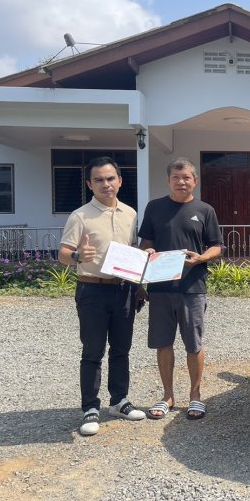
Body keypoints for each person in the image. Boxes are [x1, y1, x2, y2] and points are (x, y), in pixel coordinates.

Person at [59, 156, 146, 436]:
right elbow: (62, 254)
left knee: (121, 349)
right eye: (99, 179)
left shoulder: (130, 213)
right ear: (89, 184)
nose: (105, 184)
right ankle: (90, 408)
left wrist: (140, 282)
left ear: (120, 181)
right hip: (92, 290)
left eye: (110, 178)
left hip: (123, 290)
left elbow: (133, 250)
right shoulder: (80, 215)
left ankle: (118, 401)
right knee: (93, 351)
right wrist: (76, 255)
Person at [138, 157, 223, 420]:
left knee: (193, 344)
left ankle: (195, 396)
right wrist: (148, 251)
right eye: (176, 177)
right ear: (168, 181)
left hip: (192, 287)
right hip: (161, 287)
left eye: (186, 177)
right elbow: (146, 243)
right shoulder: (154, 208)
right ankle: (167, 396)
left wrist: (201, 258)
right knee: (163, 343)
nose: (181, 182)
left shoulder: (205, 210)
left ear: (194, 181)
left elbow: (217, 246)